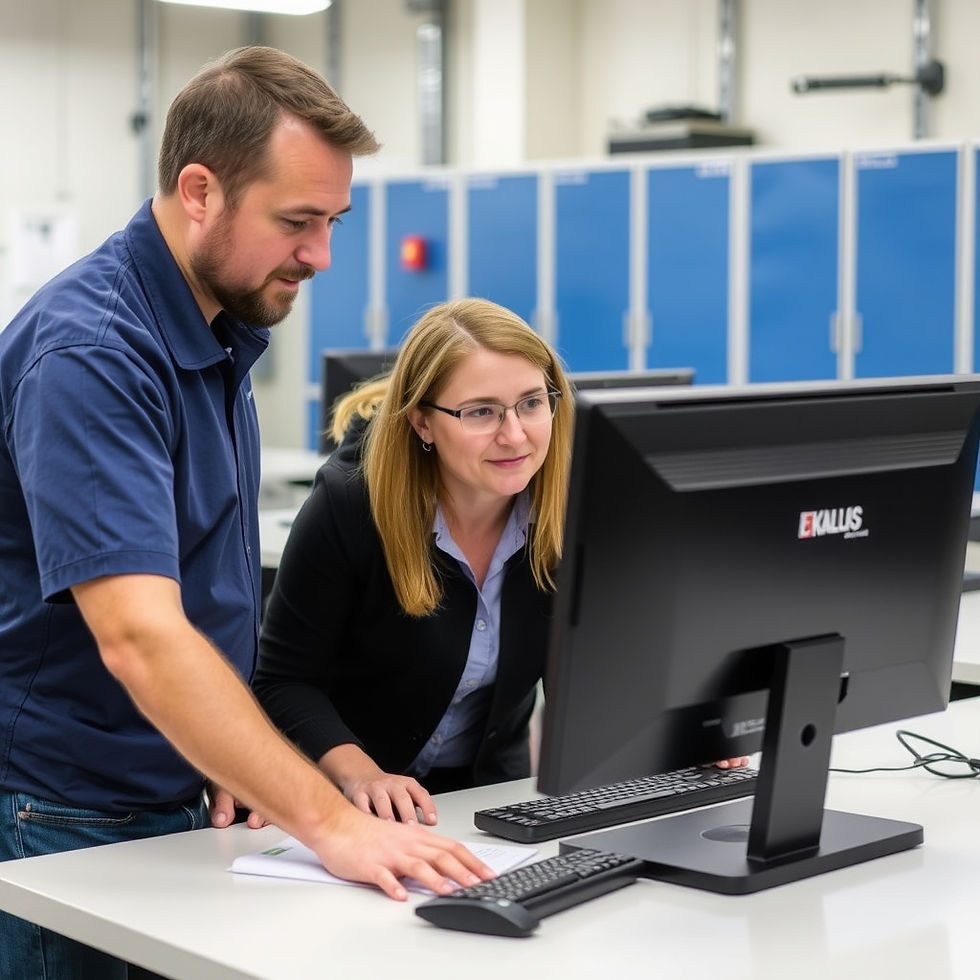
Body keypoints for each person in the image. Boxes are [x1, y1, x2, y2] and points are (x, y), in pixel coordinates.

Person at [0, 46, 491, 980]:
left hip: (177, 792)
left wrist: (236, 757)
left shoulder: (217, 323)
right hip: (68, 810)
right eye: (297, 222)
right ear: (199, 190)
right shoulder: (95, 354)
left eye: (334, 221)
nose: (321, 256)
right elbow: (143, 637)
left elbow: (205, 597)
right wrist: (329, 821)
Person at [253, 298, 747, 826]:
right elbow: (283, 681)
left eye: (532, 403)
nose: (514, 435)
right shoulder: (350, 505)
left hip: (486, 800)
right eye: (481, 412)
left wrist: (686, 730)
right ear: (423, 421)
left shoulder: (575, 509)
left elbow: (601, 668)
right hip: (346, 804)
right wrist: (362, 775)